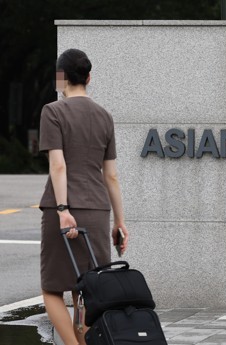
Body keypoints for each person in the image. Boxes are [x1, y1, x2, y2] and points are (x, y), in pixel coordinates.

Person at [38, 48, 129, 345]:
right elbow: (111, 175)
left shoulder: (53, 112)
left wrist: (63, 208)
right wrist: (120, 222)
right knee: (88, 290)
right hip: (98, 210)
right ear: (89, 77)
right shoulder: (105, 116)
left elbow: (58, 165)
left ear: (60, 78)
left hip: (63, 209)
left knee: (52, 289)